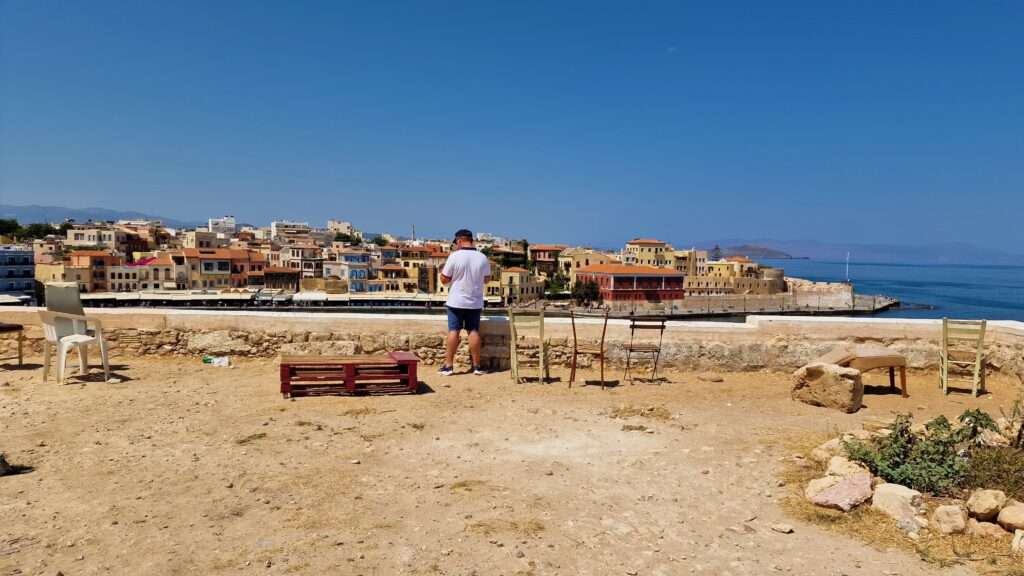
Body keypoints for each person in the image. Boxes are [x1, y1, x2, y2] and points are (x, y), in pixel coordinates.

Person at [439, 228, 491, 376]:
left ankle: (448, 366)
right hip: (474, 301)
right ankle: (477, 367)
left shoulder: (454, 257)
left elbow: (444, 280)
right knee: (473, 331)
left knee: (453, 331)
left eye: (456, 242)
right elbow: (487, 279)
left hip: (456, 301)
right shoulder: (482, 257)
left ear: (459, 241)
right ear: (471, 240)